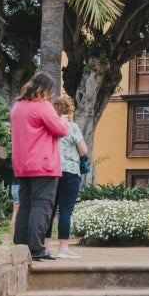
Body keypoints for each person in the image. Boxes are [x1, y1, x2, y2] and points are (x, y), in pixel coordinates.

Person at [10, 72, 70, 261]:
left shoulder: (17, 107)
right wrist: (64, 121)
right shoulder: (43, 106)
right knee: (42, 206)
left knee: (25, 205)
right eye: (51, 91)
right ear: (44, 89)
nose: (51, 95)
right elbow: (61, 130)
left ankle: (20, 247)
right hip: (43, 165)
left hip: (22, 164)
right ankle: (37, 249)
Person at [46, 96, 88, 259]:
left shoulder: (49, 128)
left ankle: (45, 246)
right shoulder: (72, 127)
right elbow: (83, 150)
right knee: (65, 211)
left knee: (49, 210)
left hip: (52, 170)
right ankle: (63, 248)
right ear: (69, 111)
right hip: (70, 172)